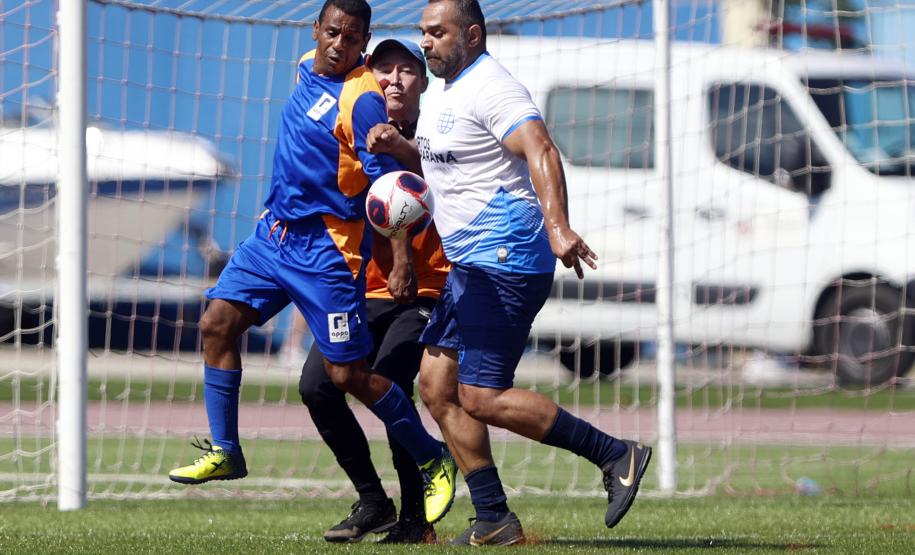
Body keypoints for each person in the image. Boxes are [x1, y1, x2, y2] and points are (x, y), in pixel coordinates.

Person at [168, 1, 457, 527]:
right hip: (273, 236)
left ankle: (431, 453)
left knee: (346, 374)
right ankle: (227, 450)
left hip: (327, 251)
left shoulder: (361, 98)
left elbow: (390, 188)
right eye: (332, 33)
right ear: (317, 30)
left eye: (350, 39)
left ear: (362, 43)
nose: (338, 46)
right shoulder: (305, 64)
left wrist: (397, 258)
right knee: (216, 322)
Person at [413, 0, 652, 545]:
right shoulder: (448, 91)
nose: (426, 42)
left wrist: (559, 225)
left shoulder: (494, 86)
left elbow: (541, 148)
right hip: (470, 263)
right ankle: (494, 517)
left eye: (437, 32)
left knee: (479, 396)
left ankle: (615, 455)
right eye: (422, 32)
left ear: (471, 35)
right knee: (436, 384)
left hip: (505, 259)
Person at [297, 38, 448, 544]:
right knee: (317, 384)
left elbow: (438, 179)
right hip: (365, 289)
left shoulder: (439, 134)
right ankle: (373, 501)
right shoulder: (355, 130)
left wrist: (400, 149)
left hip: (427, 289)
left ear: (424, 83)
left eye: (409, 70)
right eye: (384, 69)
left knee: (387, 382)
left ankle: (416, 520)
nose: (395, 79)